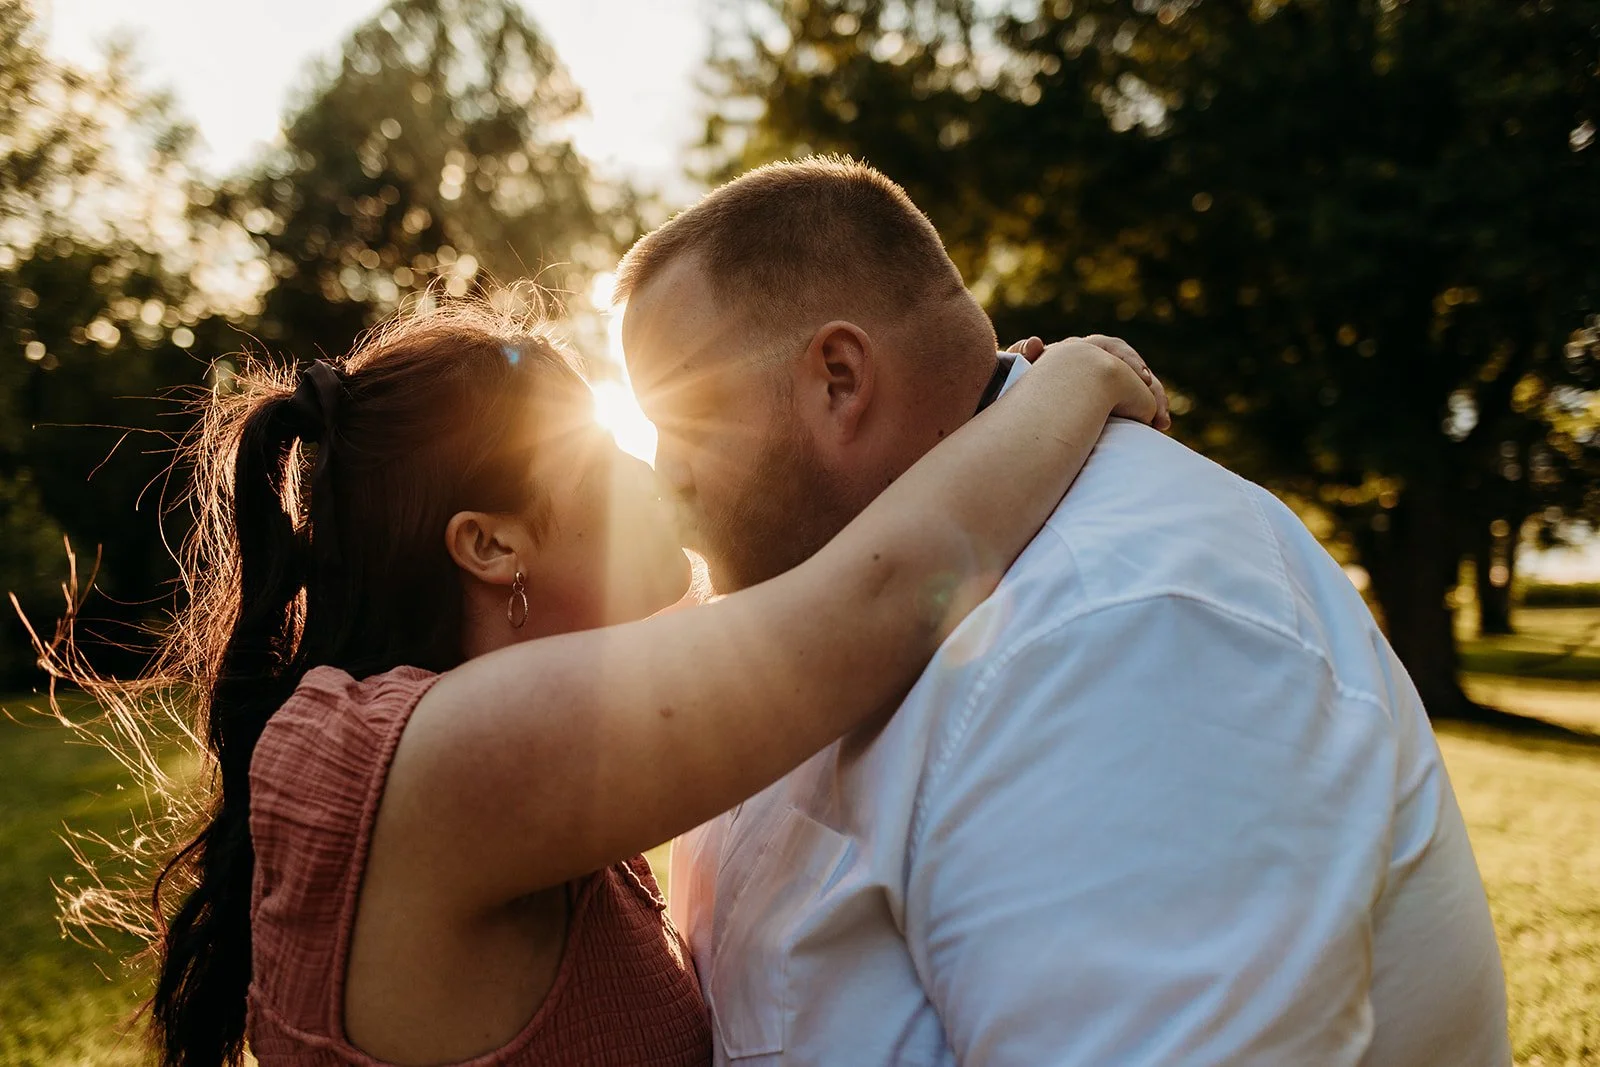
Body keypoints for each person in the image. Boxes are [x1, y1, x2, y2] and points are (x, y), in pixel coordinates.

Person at [58, 303, 1164, 1067]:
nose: (654, 468)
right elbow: (862, 610)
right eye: (600, 459)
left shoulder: (459, 738)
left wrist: (953, 424)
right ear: (491, 546)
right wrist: (1068, 380)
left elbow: (815, 588)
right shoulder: (428, 762)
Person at [616, 156, 1512, 1066]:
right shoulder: (799, 603)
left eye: (682, 421)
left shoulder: (1120, 629)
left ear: (839, 378)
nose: (661, 475)